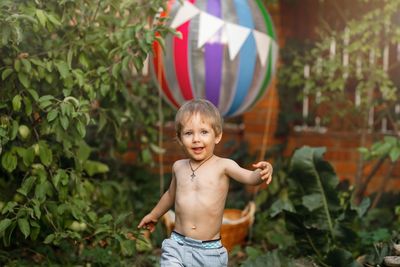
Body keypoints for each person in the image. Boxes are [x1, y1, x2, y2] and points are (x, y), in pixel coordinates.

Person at [137, 99, 273, 267]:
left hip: (209, 252)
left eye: (203, 132)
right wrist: (154, 215)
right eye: (188, 133)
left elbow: (250, 178)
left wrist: (263, 171)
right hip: (177, 244)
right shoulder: (178, 167)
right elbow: (170, 195)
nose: (196, 139)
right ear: (179, 139)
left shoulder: (223, 166)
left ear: (217, 135)